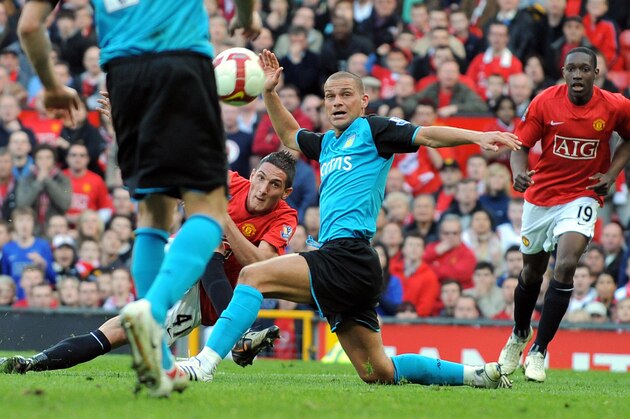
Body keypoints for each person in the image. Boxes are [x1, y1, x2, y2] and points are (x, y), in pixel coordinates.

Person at [176, 49, 520, 390]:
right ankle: (477, 375)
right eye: (329, 96)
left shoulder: (374, 131)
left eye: (345, 95)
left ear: (363, 101)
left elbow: (427, 135)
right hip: (351, 267)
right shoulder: (327, 144)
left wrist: (477, 136)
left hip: (346, 254)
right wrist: (268, 92)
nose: (336, 102)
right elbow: (289, 136)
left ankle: (205, 364)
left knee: (252, 274)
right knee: (378, 371)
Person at [17, 0, 262, 398]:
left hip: (124, 78)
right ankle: (149, 310)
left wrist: (50, 86)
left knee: (154, 213)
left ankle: (163, 366)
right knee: (210, 209)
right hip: (183, 63)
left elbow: (28, 27)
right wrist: (248, 17)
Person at [0, 152, 299, 385]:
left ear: (285, 192)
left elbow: (260, 266)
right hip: (182, 261)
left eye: (274, 185)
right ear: (252, 174)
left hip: (206, 302)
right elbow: (175, 180)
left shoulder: (285, 217)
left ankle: (236, 337)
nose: (262, 189)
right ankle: (34, 362)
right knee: (208, 240)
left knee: (122, 330)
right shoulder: (228, 183)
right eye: (260, 178)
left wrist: (224, 220)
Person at [497, 47, 630, 383]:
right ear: (564, 71)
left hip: (583, 195)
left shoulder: (615, 105)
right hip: (541, 197)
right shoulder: (545, 101)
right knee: (531, 273)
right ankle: (519, 333)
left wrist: (612, 173)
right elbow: (520, 144)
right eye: (571, 69)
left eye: (584, 69)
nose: (577, 75)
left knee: (567, 264)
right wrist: (518, 172)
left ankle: (539, 350)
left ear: (595, 74)